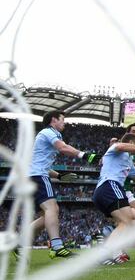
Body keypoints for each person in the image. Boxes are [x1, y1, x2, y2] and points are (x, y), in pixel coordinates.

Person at [19, 110, 99, 259]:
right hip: (37, 177)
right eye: (62, 119)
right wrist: (85, 155)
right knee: (52, 208)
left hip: (32, 176)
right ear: (53, 120)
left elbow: (40, 164)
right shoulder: (48, 132)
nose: (64, 123)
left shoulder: (46, 135)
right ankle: (56, 246)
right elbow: (63, 148)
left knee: (46, 217)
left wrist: (59, 175)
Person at [92, 132, 135, 265]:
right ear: (131, 143)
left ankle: (110, 245)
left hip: (106, 191)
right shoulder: (116, 149)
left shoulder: (128, 161)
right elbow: (120, 146)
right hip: (110, 186)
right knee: (126, 222)